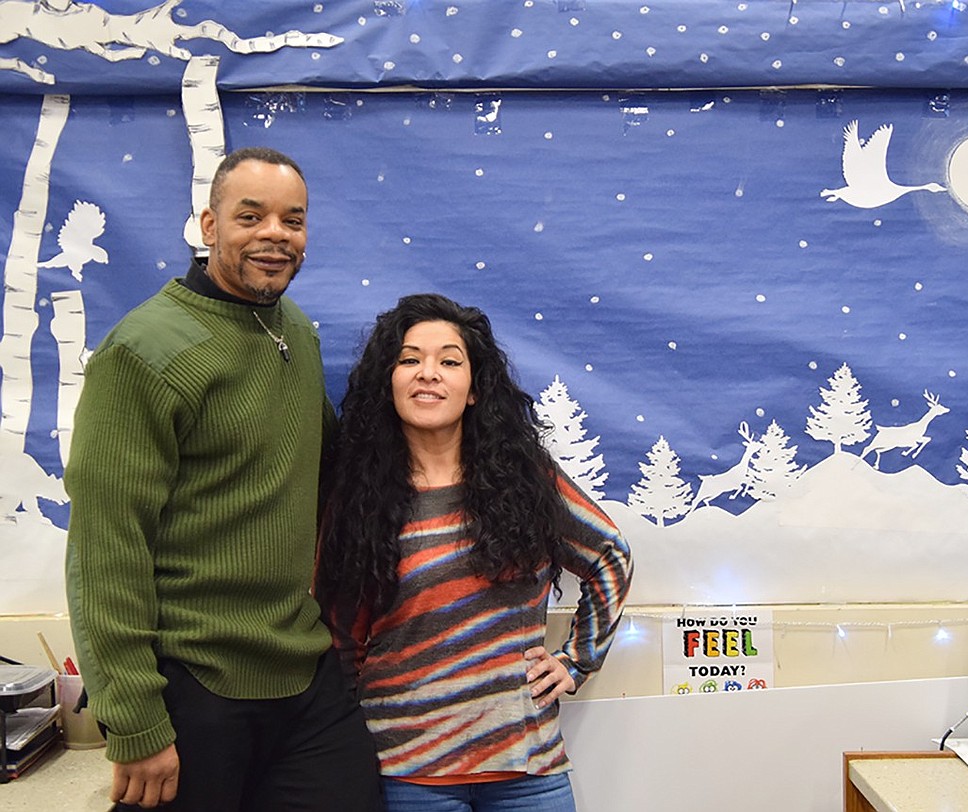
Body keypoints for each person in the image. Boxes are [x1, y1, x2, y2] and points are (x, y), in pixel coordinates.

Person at [64, 147, 381, 811]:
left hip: (304, 674)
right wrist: (134, 719)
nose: (275, 233)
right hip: (192, 688)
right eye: (251, 215)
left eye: (292, 220)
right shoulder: (143, 353)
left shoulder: (291, 328)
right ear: (209, 226)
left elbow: (332, 470)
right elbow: (105, 550)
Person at [315, 293, 633, 812]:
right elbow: (342, 641)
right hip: (407, 773)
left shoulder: (526, 479)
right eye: (409, 359)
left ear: (475, 390)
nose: (428, 374)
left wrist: (576, 662)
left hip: (528, 764)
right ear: (388, 383)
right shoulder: (358, 500)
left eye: (449, 361)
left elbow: (610, 556)